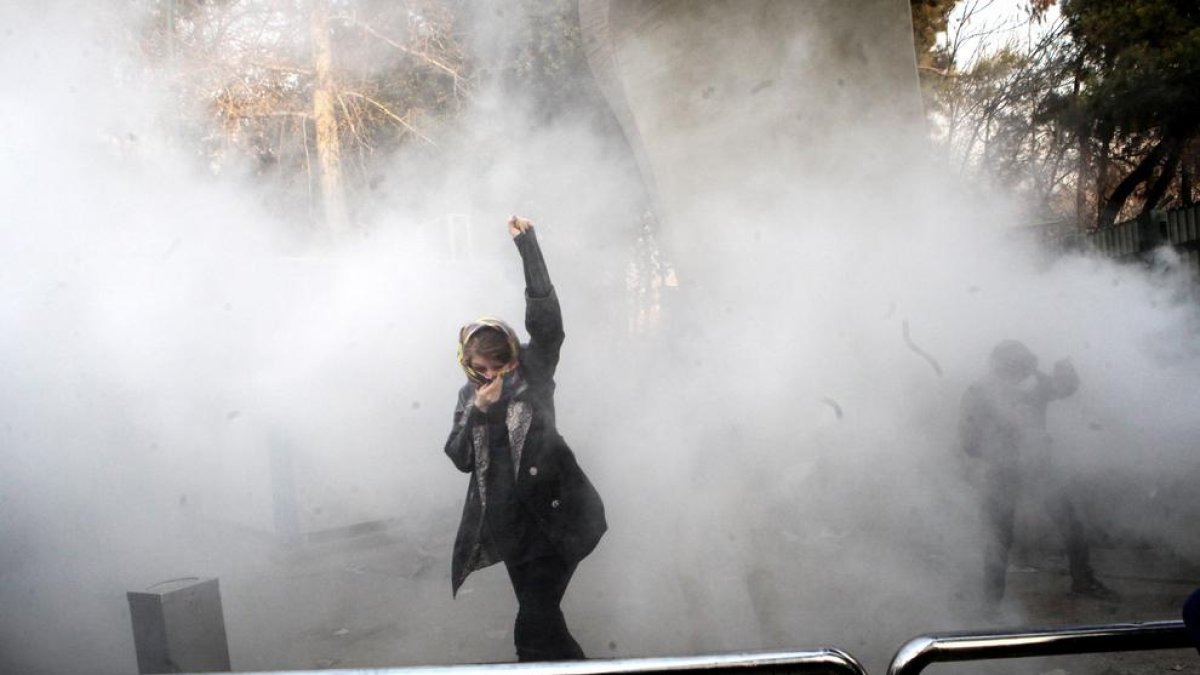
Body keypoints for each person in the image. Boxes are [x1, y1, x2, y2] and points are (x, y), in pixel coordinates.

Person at [444, 215, 607, 662]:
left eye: (502, 364)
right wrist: (479, 412)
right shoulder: (469, 396)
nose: (494, 375)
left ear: (513, 356)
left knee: (531, 632)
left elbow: (548, 325)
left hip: (556, 524)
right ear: (469, 364)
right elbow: (459, 458)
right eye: (484, 368)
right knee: (547, 628)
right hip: (509, 530)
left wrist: (528, 248)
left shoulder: (532, 372)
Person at [959, 340, 1117, 609]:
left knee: (1070, 525)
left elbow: (1064, 388)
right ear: (1004, 368)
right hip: (1003, 472)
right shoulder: (979, 393)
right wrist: (1004, 448)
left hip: (1038, 468)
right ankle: (991, 602)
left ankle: (1083, 581)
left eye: (1026, 368)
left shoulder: (1034, 383)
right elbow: (969, 443)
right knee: (998, 537)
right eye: (1018, 368)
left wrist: (1066, 368)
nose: (1025, 374)